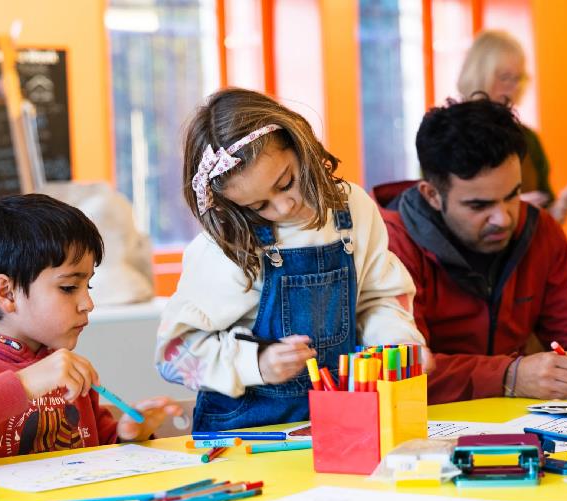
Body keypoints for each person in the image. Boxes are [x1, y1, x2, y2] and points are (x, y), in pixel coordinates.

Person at [156, 88, 426, 432]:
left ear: (299, 145)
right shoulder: (226, 245)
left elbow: (379, 297)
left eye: (286, 183)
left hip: (336, 421)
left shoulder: (352, 208)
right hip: (245, 432)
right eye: (258, 207)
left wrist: (397, 345)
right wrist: (257, 364)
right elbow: (175, 353)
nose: (283, 207)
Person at [375, 98, 567, 404]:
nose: (503, 217)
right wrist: (509, 375)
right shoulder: (390, 245)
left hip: (520, 426)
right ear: (431, 195)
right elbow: (402, 370)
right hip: (421, 436)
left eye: (513, 196)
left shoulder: (540, 231)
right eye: (479, 205)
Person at [0, 194, 181, 474]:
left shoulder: (64, 368)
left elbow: (93, 451)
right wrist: (23, 384)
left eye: (87, 286)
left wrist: (126, 437)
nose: (88, 303)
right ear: (7, 292)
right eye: (68, 288)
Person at [457, 29, 567, 223]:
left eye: (519, 79)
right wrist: (510, 207)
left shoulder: (528, 139)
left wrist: (560, 208)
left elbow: (546, 223)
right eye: (505, 77)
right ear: (478, 76)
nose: (514, 88)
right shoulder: (449, 138)